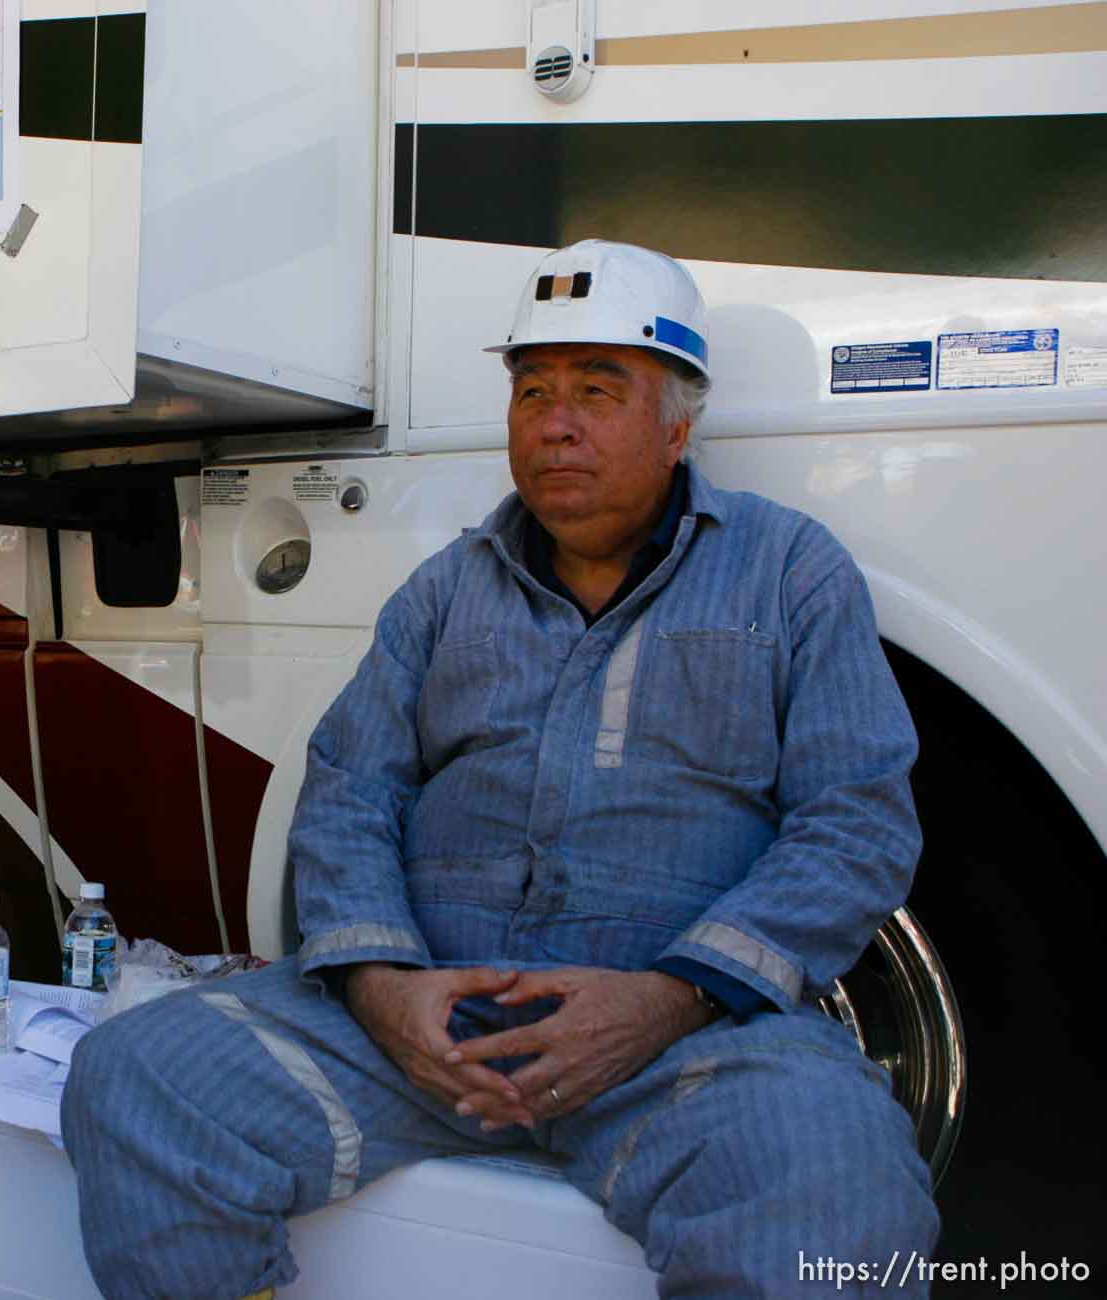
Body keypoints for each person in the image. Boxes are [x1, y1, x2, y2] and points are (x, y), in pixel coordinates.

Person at [62, 239, 939, 1299]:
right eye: (532, 390)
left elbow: (857, 823)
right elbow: (347, 793)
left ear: (679, 425)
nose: (555, 422)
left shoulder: (791, 571)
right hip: (421, 1037)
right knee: (138, 1077)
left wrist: (663, 1001)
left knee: (839, 1188)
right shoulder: (444, 591)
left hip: (685, 1045)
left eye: (599, 389)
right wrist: (386, 991)